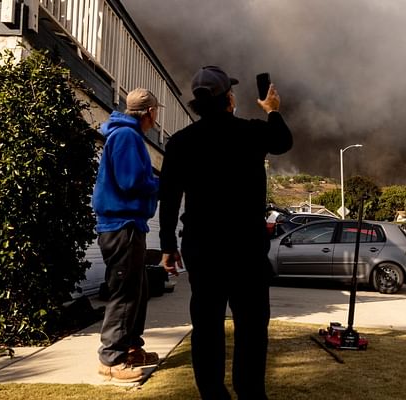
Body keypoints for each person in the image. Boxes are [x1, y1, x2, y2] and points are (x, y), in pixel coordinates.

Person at [159, 65, 293, 399]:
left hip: (201, 248)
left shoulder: (181, 143)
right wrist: (273, 110)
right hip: (246, 248)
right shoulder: (250, 133)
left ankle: (213, 394)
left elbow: (170, 198)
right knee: (250, 326)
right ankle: (249, 393)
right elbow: (283, 141)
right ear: (229, 99)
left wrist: (166, 245)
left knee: (206, 326)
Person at [92, 88, 162, 382]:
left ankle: (131, 347)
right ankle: (111, 358)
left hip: (129, 224)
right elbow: (131, 180)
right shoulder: (126, 136)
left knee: (137, 290)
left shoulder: (128, 135)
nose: (157, 119)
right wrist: (161, 184)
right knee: (124, 292)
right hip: (121, 226)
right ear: (148, 112)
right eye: (156, 112)